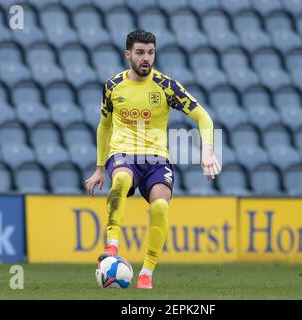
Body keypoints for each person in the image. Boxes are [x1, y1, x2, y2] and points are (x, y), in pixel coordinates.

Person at [85, 29, 221, 289]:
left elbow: (203, 116)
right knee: (122, 178)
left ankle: (147, 271)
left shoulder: (166, 86)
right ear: (128, 55)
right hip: (123, 153)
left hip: (157, 159)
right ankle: (112, 244)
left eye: (150, 52)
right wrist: (100, 168)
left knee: (160, 207)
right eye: (139, 53)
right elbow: (104, 126)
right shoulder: (113, 86)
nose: (146, 58)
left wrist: (207, 150)